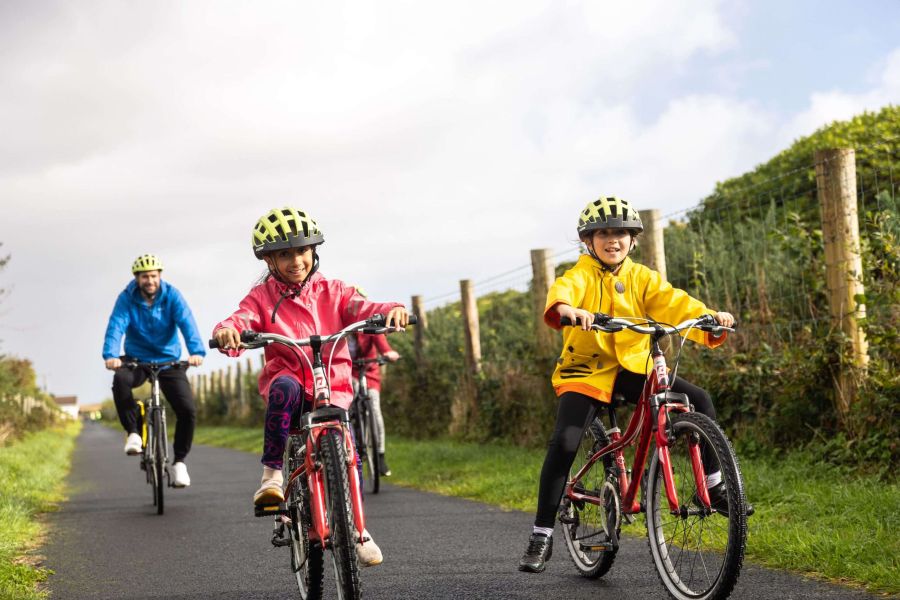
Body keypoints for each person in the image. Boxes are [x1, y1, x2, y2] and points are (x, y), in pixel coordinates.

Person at [518, 196, 750, 574]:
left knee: (699, 399)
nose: (614, 240)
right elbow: (563, 292)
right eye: (604, 233)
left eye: (622, 233)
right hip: (586, 371)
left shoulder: (642, 277)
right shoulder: (581, 273)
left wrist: (707, 317)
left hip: (631, 366)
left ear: (633, 239)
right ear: (588, 241)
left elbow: (674, 302)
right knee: (564, 441)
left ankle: (716, 486)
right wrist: (567, 311)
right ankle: (541, 532)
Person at [212, 207, 409, 568]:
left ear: (314, 251)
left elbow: (363, 306)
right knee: (284, 387)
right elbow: (240, 319)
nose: (295, 260)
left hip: (331, 385)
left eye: (302, 250)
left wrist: (391, 309)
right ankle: (272, 475)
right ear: (269, 259)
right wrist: (229, 331)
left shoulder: (333, 291)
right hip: (289, 380)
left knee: (350, 451)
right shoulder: (261, 298)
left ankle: (357, 529)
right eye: (284, 254)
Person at [102, 254, 205, 488]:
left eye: (153, 276)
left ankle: (179, 463)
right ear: (137, 279)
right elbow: (116, 326)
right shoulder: (127, 298)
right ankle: (134, 433)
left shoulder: (172, 296)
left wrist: (196, 351)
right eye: (145, 276)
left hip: (168, 360)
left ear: (160, 276)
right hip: (136, 359)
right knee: (120, 380)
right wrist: (110, 355)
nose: (149, 280)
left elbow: (187, 322)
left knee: (187, 410)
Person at [350, 322, 400, 476]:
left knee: (375, 408)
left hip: (369, 372)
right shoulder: (341, 328)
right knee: (349, 402)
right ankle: (352, 442)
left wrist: (388, 352)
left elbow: (381, 342)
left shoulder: (368, 326)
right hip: (349, 372)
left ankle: (380, 455)